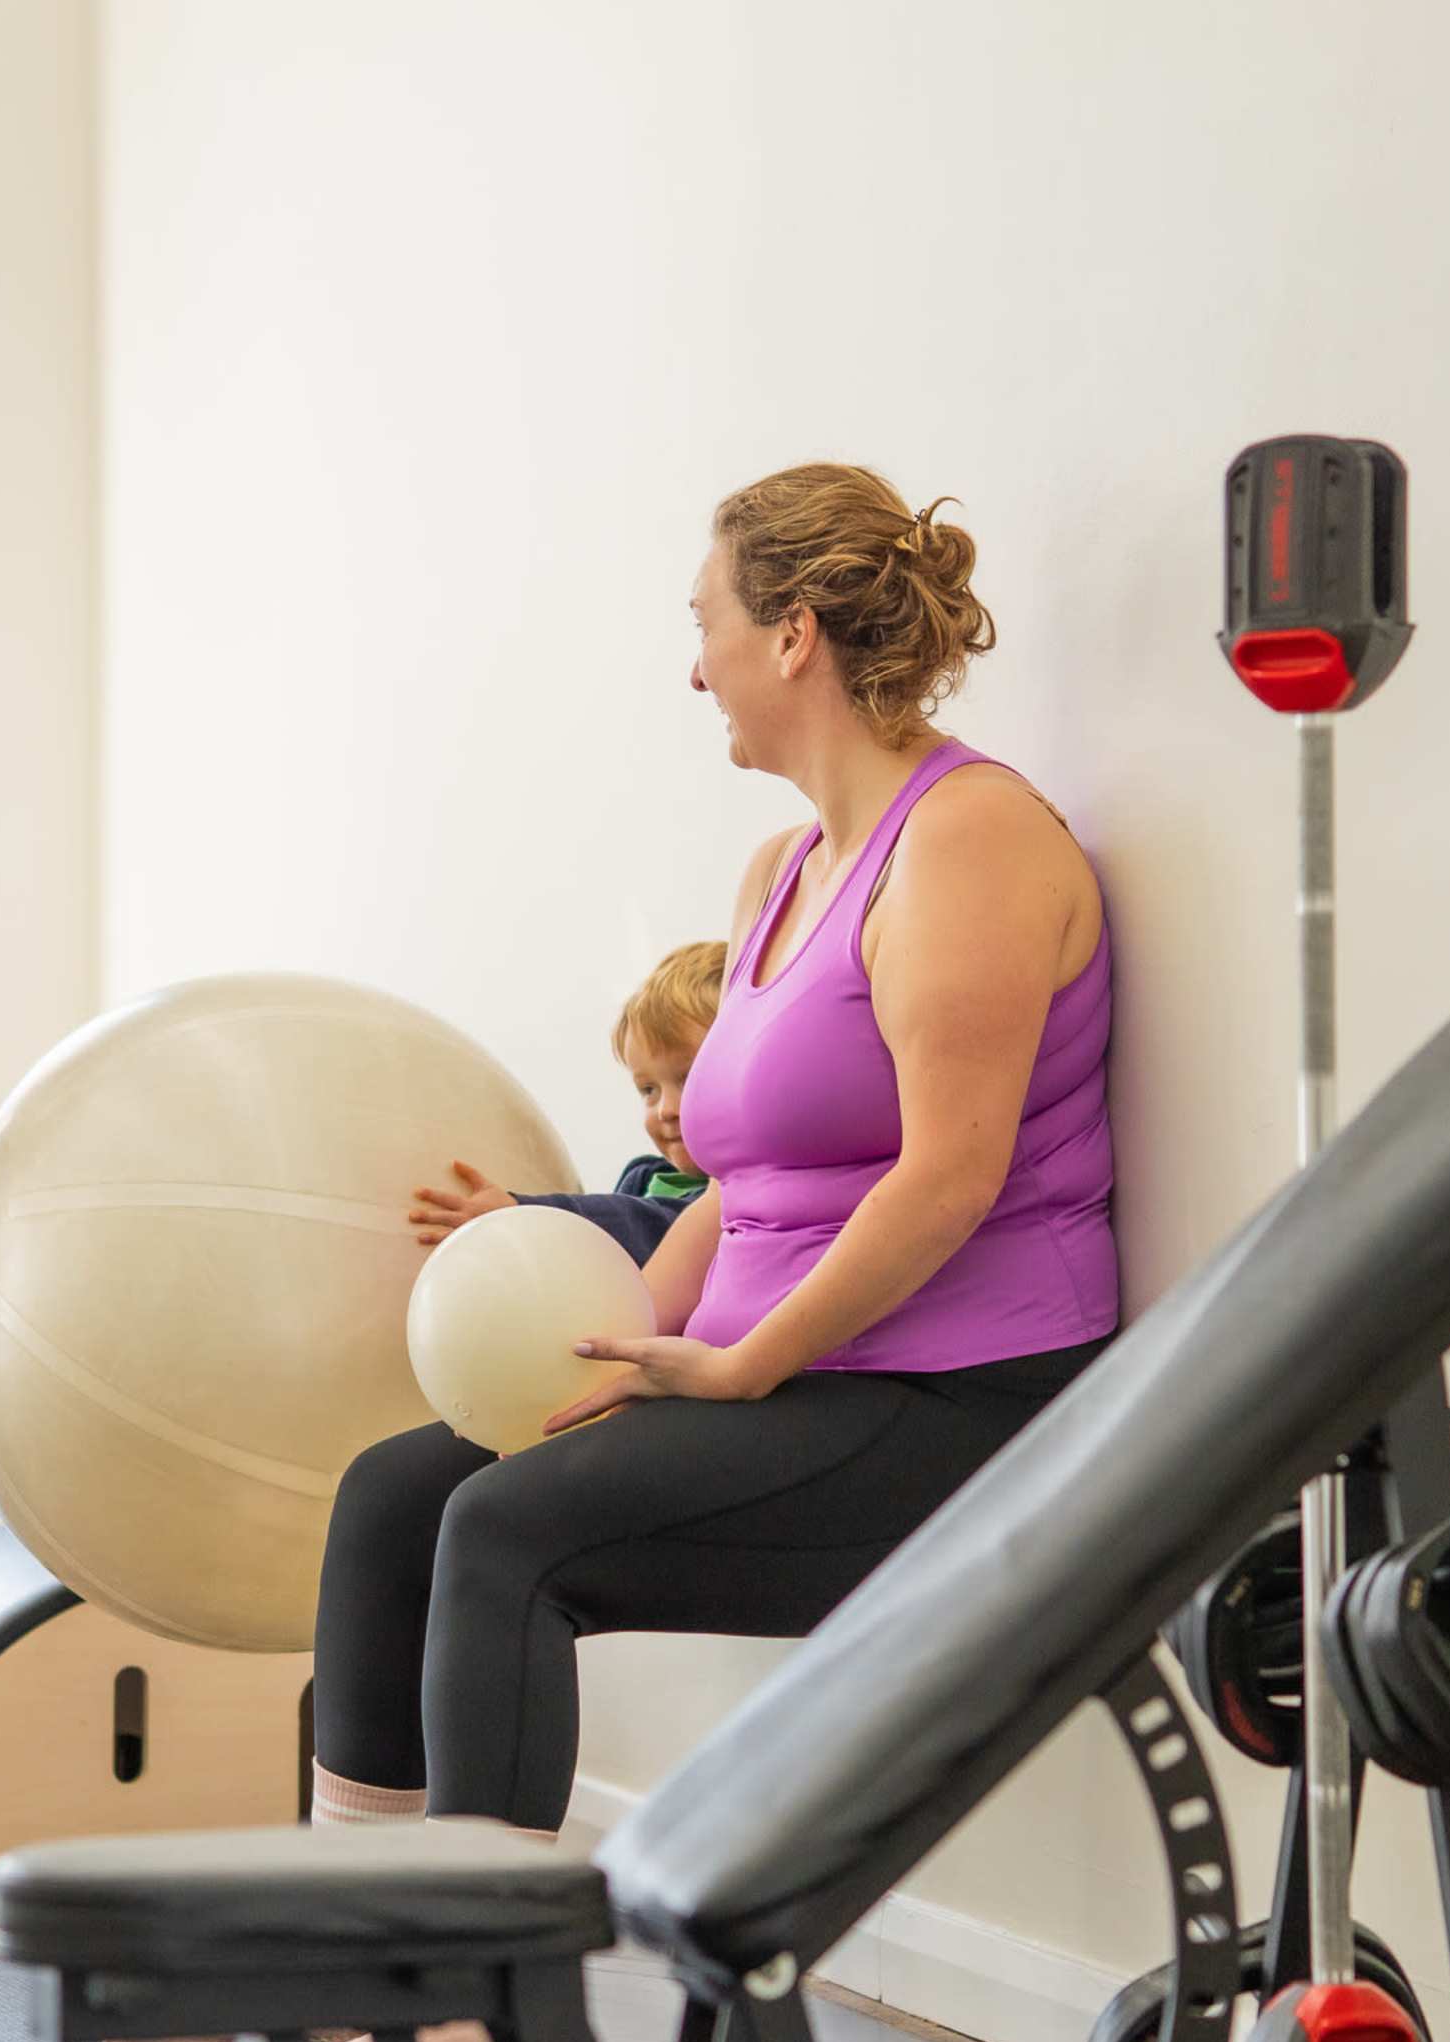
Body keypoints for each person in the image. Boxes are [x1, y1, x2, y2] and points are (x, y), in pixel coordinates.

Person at [313, 457, 1121, 1863]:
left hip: (953, 1401)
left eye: (708, 626)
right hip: (798, 1380)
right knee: (402, 1491)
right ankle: (359, 1941)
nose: (697, 672)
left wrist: (745, 1363)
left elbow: (950, 1175)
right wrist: (622, 1349)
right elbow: (744, 1185)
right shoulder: (782, 869)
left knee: (510, 1531)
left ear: (794, 633)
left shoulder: (972, 838)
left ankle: (454, 2014)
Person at [408, 941, 726, 1263]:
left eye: (688, 1079)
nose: (666, 1109)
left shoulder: (742, 1199)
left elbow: (655, 1226)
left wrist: (526, 1214)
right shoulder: (642, 1180)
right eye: (648, 1090)